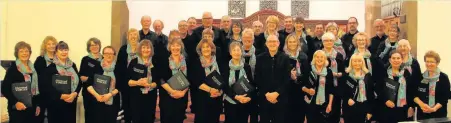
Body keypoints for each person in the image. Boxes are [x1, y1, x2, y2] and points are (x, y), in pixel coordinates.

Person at [41, 41, 81, 123]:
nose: (64, 52)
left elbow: (79, 82)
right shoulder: (50, 68)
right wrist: (61, 96)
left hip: (71, 103)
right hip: (56, 105)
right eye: (61, 50)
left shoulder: (73, 65)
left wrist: (75, 93)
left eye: (66, 50)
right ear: (56, 52)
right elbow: (46, 87)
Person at [2, 41, 41, 123]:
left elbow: (35, 88)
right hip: (17, 109)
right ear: (17, 53)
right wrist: (16, 103)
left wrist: (38, 105)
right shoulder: (12, 69)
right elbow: (4, 89)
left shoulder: (33, 69)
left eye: (26, 51)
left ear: (30, 53)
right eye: (21, 51)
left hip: (31, 108)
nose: (24, 53)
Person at [254, 35, 291, 123]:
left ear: (278, 43)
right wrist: (266, 93)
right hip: (264, 97)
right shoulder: (260, 58)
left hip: (280, 97)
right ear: (266, 44)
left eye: (274, 41)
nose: (272, 43)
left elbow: (287, 78)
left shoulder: (285, 58)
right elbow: (257, 78)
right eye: (270, 41)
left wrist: (277, 93)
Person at [126, 39, 158, 123]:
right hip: (136, 96)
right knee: (136, 118)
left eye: (148, 48)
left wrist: (150, 85)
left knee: (149, 118)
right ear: (140, 49)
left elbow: (157, 81)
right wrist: (138, 83)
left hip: (150, 95)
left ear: (151, 49)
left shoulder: (155, 62)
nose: (146, 50)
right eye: (143, 47)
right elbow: (127, 81)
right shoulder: (134, 62)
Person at [223, 42, 255, 123]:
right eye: (234, 50)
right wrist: (236, 97)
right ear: (230, 52)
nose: (236, 52)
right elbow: (224, 86)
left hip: (244, 101)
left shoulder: (247, 67)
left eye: (238, 50)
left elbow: (251, 84)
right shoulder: (225, 67)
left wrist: (248, 97)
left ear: (241, 52)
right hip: (230, 101)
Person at [379, 50, 415, 123]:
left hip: (404, 109)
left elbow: (411, 91)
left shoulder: (407, 73)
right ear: (390, 60)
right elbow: (378, 89)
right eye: (393, 58)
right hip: (387, 108)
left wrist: (411, 106)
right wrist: (386, 100)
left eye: (398, 58)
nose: (396, 60)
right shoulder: (383, 73)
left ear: (402, 60)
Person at [159, 38, 190, 123]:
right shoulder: (164, 60)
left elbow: (191, 78)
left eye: (178, 45)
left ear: (181, 47)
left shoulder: (187, 60)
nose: (175, 48)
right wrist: (172, 91)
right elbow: (161, 79)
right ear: (169, 47)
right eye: (173, 45)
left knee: (179, 119)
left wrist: (183, 92)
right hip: (167, 97)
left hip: (182, 96)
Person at [86, 46, 120, 123]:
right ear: (103, 55)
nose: (109, 55)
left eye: (111, 53)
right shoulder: (96, 67)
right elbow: (88, 84)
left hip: (112, 102)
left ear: (114, 55)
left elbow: (121, 86)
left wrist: (109, 95)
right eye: (106, 53)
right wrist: (97, 96)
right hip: (97, 101)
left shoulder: (118, 68)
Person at [193, 39, 223, 123]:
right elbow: (196, 81)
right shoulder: (196, 62)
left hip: (216, 97)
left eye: (208, 47)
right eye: (203, 47)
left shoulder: (219, 62)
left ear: (212, 48)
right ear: (200, 49)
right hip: (202, 98)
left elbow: (223, 78)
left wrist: (219, 91)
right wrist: (210, 90)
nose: (206, 49)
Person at [414, 50, 450, 120]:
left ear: (437, 63)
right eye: (427, 61)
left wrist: (433, 109)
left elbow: (445, 97)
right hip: (422, 115)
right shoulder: (420, 77)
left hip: (439, 115)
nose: (429, 64)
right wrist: (422, 105)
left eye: (432, 62)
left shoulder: (443, 78)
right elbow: (414, 94)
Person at [115, 28, 140, 123]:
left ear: (138, 36)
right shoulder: (123, 49)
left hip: (139, 84)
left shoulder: (142, 48)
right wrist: (120, 85)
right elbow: (119, 68)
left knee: (138, 108)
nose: (133, 37)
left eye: (135, 34)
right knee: (127, 107)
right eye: (131, 35)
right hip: (126, 84)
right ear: (127, 37)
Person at [283, 34, 309, 123]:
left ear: (297, 43)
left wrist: (297, 77)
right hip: (287, 91)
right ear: (287, 43)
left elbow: (307, 74)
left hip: (300, 91)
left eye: (294, 42)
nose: (292, 44)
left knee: (299, 116)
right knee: (287, 116)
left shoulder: (303, 56)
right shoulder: (283, 57)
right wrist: (289, 75)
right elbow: (279, 75)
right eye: (290, 42)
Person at [303, 50, 334, 123]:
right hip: (310, 103)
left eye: (322, 57)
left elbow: (331, 90)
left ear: (325, 59)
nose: (319, 59)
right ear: (314, 58)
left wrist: (330, 104)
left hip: (324, 104)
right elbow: (302, 86)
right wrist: (308, 90)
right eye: (317, 57)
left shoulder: (328, 72)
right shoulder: (309, 69)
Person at [342, 54, 375, 123]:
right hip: (349, 106)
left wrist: (370, 111)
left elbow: (371, 94)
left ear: (362, 62)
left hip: (364, 106)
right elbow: (341, 91)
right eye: (355, 61)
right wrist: (347, 99)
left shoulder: (367, 76)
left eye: (359, 61)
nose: (357, 63)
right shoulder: (346, 74)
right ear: (351, 62)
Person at [321, 32, 344, 123]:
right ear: (323, 42)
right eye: (326, 41)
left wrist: (336, 74)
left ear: (334, 42)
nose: (328, 42)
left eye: (331, 40)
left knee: (335, 112)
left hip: (336, 87)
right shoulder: (319, 54)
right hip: (323, 87)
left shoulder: (339, 55)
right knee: (323, 113)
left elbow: (343, 72)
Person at [34, 36, 57, 122]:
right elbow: (36, 78)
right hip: (42, 94)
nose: (51, 46)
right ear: (45, 46)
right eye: (49, 44)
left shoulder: (60, 60)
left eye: (53, 44)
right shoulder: (40, 60)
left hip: (56, 94)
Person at [79, 38, 103, 123]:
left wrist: (89, 78)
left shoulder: (104, 59)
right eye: (92, 45)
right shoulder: (85, 59)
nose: (94, 47)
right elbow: (82, 77)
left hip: (102, 92)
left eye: (96, 45)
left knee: (101, 117)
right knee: (90, 117)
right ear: (89, 47)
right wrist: (95, 79)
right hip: (88, 93)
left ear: (99, 46)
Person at [241, 28, 259, 123]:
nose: (247, 41)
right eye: (245, 38)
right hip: (241, 86)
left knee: (254, 113)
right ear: (242, 39)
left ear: (253, 39)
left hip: (254, 86)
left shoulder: (258, 52)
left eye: (250, 39)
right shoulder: (236, 52)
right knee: (242, 113)